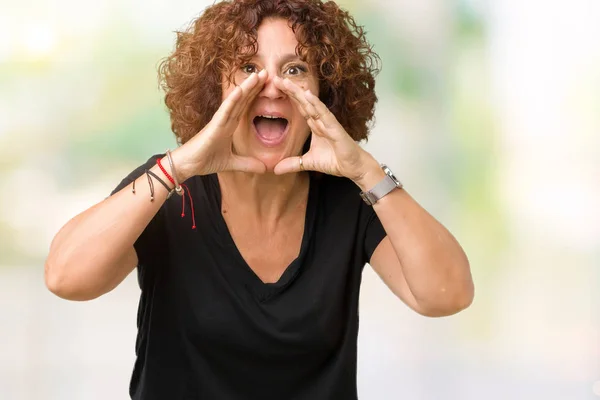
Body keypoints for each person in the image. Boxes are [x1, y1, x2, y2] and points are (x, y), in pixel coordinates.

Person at [45, 0, 474, 398]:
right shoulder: (169, 190)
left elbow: (446, 294)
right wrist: (175, 167)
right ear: (216, 90)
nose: (270, 86)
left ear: (324, 93)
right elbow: (66, 278)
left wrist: (366, 170)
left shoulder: (351, 199)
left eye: (295, 69)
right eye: (248, 67)